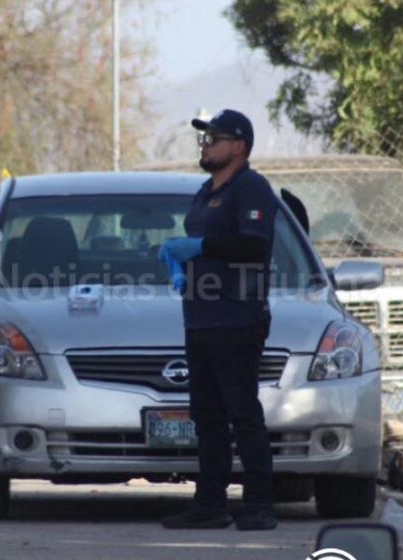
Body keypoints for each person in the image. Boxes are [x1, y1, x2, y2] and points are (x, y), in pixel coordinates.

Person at [158, 109, 279, 531]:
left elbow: (252, 246)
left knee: (242, 413)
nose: (205, 145)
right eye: (203, 139)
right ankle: (210, 504)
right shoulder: (205, 191)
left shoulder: (251, 188)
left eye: (213, 138)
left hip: (237, 317)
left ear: (239, 146)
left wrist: (200, 247)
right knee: (206, 416)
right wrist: (178, 258)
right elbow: (201, 243)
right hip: (201, 317)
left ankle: (259, 505)